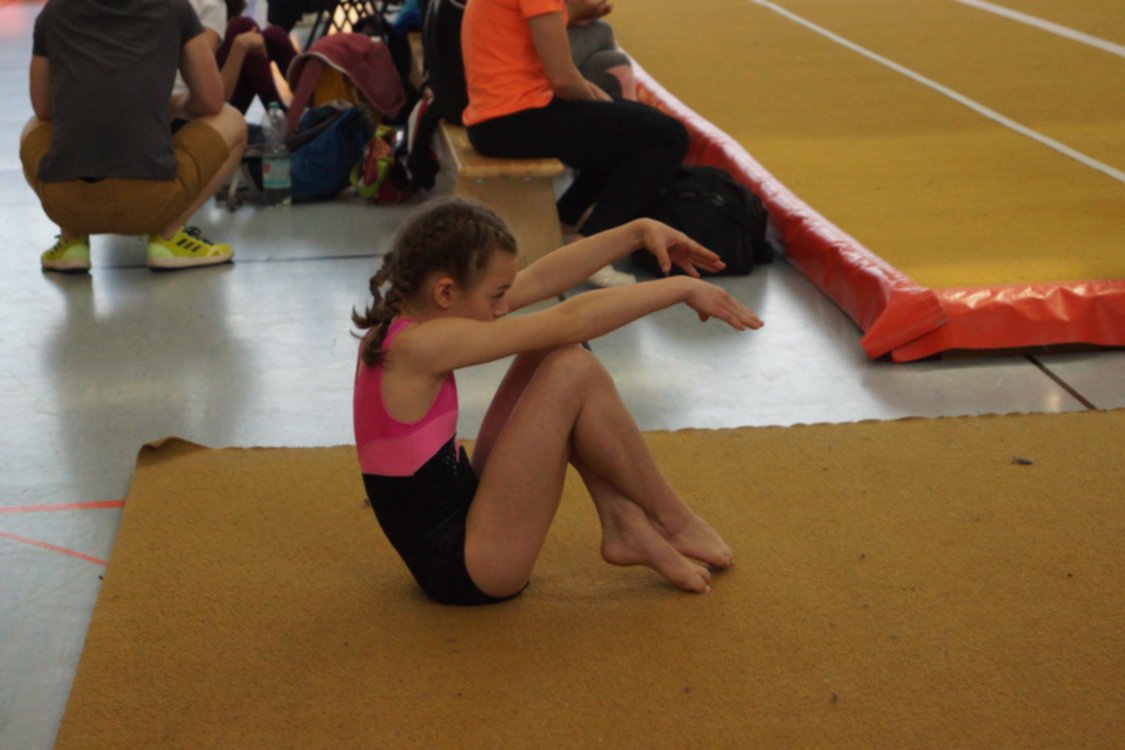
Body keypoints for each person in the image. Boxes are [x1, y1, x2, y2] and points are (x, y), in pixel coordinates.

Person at [352, 197, 764, 606]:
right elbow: (571, 320)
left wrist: (638, 232)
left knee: (552, 351)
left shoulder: (402, 322)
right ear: (445, 291)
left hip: (466, 519)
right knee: (572, 369)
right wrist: (682, 288)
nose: (504, 307)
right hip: (467, 569)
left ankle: (624, 522)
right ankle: (672, 520)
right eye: (496, 296)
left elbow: (542, 279)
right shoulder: (419, 346)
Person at [461, 0, 689, 286]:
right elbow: (563, 79)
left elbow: (558, 72)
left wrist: (602, 104)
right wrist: (600, 105)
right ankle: (590, 248)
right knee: (670, 137)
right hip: (513, 119)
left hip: (498, 117)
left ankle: (566, 219)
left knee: (637, 126)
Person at [22, 0, 247, 272]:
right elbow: (212, 101)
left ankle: (71, 240)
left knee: (33, 126)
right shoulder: (175, 8)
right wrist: (175, 105)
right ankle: (169, 236)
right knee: (231, 119)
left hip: (66, 203)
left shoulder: (54, 11)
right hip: (150, 204)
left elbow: (43, 108)